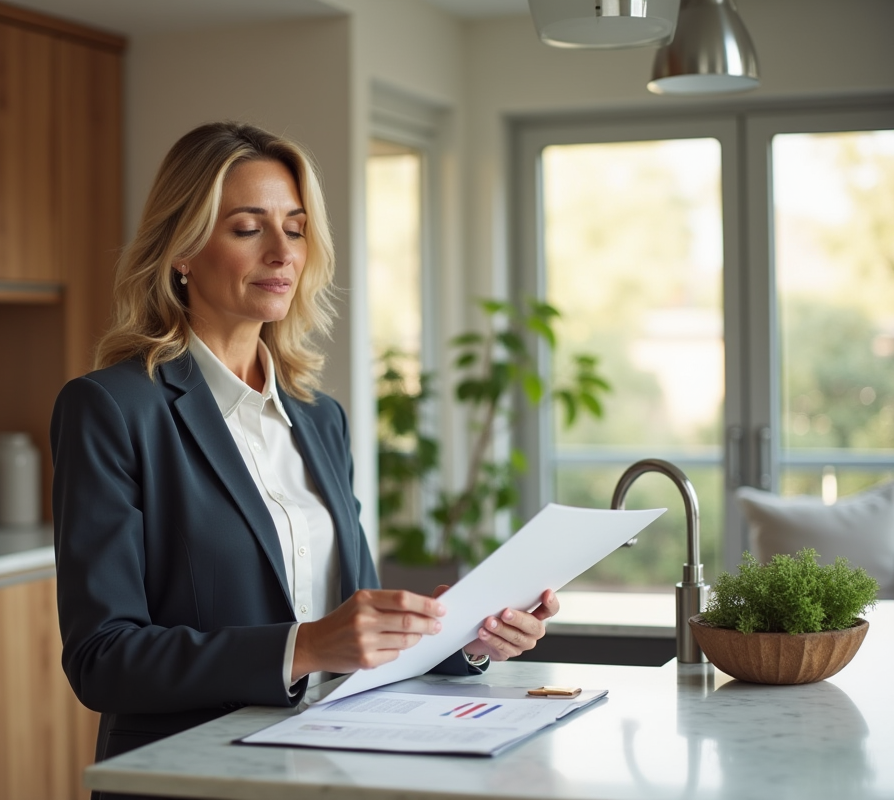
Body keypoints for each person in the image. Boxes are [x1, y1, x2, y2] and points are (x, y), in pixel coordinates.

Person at [50, 121, 559, 772]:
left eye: (294, 229)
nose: (282, 253)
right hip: (199, 779)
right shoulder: (111, 409)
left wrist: (471, 639)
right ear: (180, 251)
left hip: (332, 767)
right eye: (246, 228)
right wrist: (305, 647)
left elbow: (360, 635)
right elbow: (102, 659)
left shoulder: (321, 419)